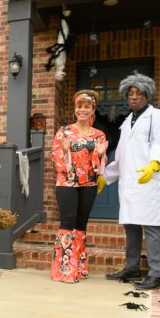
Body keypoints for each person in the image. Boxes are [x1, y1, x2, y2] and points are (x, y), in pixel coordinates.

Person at [101, 74, 160, 290]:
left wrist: (154, 165)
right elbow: (122, 156)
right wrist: (106, 177)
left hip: (149, 180)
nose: (133, 98)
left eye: (138, 94)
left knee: (151, 227)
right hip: (130, 183)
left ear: (147, 95)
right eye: (130, 94)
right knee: (131, 226)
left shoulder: (158, 117)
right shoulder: (126, 122)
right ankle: (132, 268)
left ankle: (156, 274)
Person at [50, 90, 108, 283]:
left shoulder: (99, 135)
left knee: (81, 225)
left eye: (87, 106)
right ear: (75, 109)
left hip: (89, 183)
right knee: (68, 222)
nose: (82, 110)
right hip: (67, 183)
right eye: (79, 106)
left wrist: (99, 154)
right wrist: (65, 151)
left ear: (93, 110)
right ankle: (65, 269)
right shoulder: (64, 131)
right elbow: (56, 158)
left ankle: (80, 267)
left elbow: (99, 167)